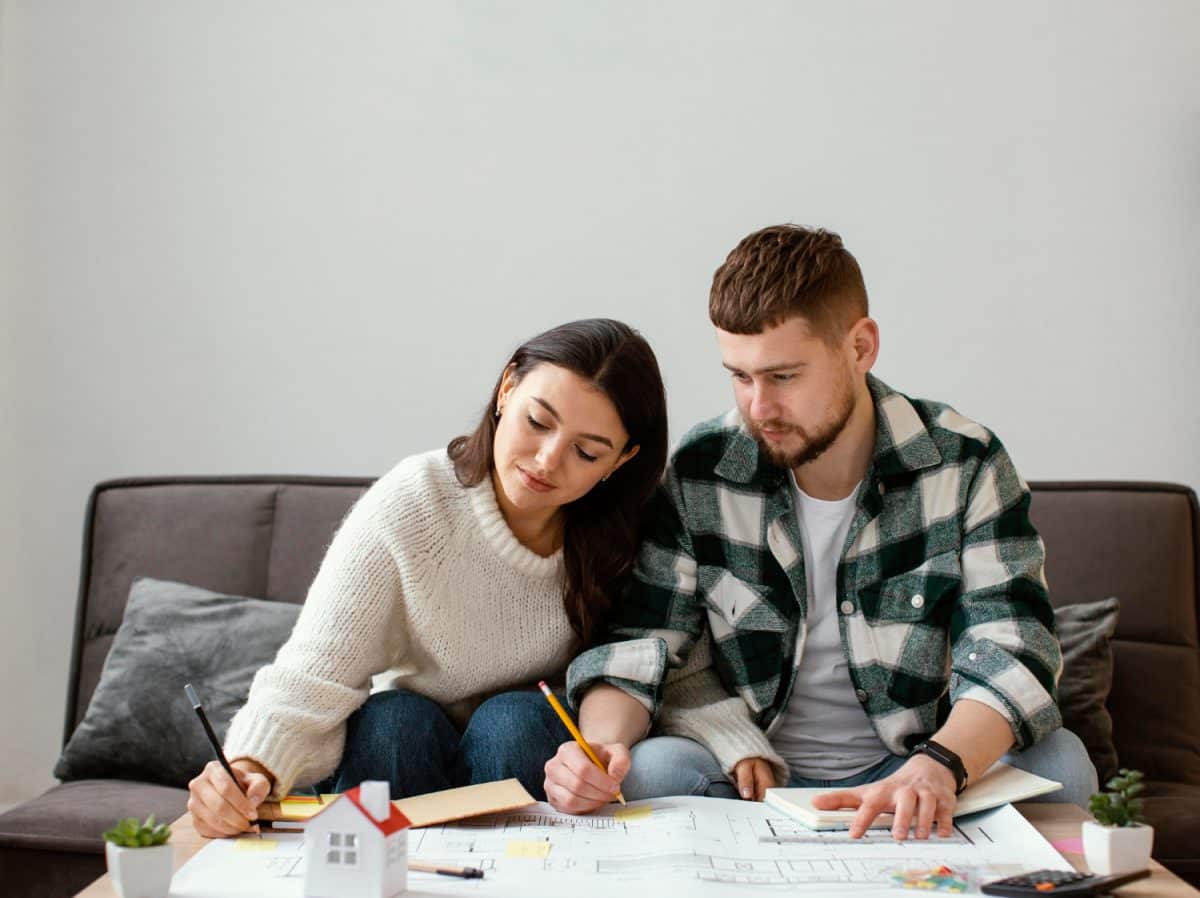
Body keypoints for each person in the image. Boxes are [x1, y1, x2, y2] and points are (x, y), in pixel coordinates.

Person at [545, 225, 1096, 840]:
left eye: (783, 377)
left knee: (1063, 766)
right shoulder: (704, 468)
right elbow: (644, 643)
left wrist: (939, 764)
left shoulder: (965, 462)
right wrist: (595, 751)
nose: (758, 408)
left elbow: (1013, 644)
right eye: (740, 376)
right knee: (650, 769)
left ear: (861, 347)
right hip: (755, 775)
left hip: (917, 762)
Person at [187, 318, 668, 838]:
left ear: (622, 460)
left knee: (511, 719)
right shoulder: (414, 502)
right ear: (507, 388)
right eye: (538, 421)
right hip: (406, 741)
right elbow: (315, 670)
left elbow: (666, 657)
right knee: (392, 719)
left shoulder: (629, 533)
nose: (547, 460)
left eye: (587, 452)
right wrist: (251, 769)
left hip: (531, 743)